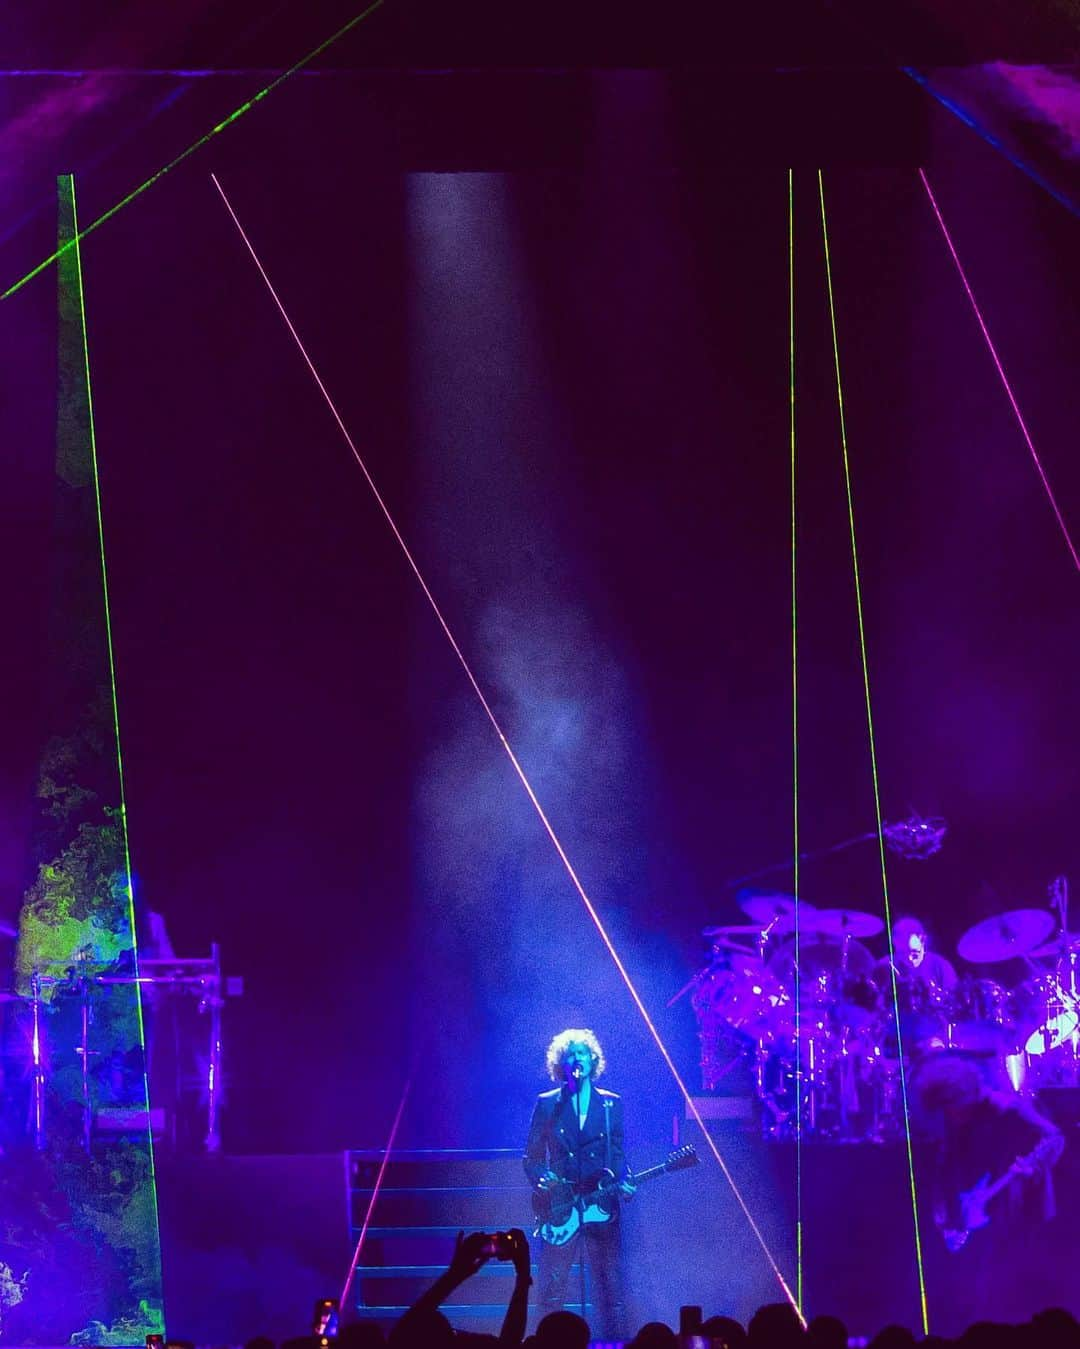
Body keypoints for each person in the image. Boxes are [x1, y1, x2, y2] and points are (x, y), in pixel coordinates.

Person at [915, 1053, 1065, 1330]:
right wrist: (945, 1213)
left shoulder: (1008, 1109)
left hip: (1020, 1210)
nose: (950, 1116)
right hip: (986, 1212)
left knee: (1014, 1293)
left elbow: (1054, 1137)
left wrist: (1034, 1168)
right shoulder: (955, 1116)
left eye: (952, 1109)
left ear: (962, 1096)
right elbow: (947, 1161)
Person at [523, 1029, 634, 1338]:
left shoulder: (611, 1104)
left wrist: (625, 1182)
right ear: (561, 1062)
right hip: (561, 1206)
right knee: (552, 1288)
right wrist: (541, 1178)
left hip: (601, 1206)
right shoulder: (548, 1104)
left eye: (581, 1053)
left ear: (593, 1059)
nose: (576, 1059)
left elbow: (618, 1152)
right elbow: (531, 1157)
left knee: (610, 1287)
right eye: (570, 1054)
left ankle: (614, 1342)